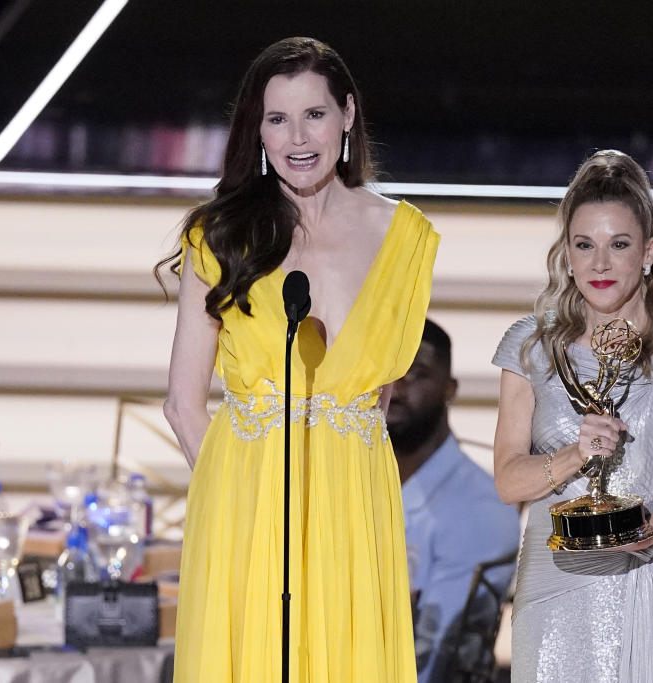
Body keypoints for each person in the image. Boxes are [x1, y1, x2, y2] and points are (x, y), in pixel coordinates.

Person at [159, 37, 439, 683]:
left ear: (347, 114)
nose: (297, 137)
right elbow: (182, 403)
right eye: (277, 118)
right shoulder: (221, 232)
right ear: (256, 130)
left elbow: (379, 400)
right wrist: (237, 504)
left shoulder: (405, 237)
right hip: (247, 511)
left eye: (313, 114)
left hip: (354, 510)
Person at [491, 149, 653, 682]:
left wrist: (651, 532)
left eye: (619, 245)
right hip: (554, 581)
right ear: (567, 252)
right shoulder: (532, 346)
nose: (599, 264)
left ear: (648, 251)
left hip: (649, 576)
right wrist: (572, 455)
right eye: (585, 246)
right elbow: (509, 480)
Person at [387, 319, 520, 683]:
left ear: (450, 388)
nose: (395, 390)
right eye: (386, 372)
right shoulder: (342, 485)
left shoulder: (481, 506)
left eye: (416, 374)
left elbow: (432, 661)